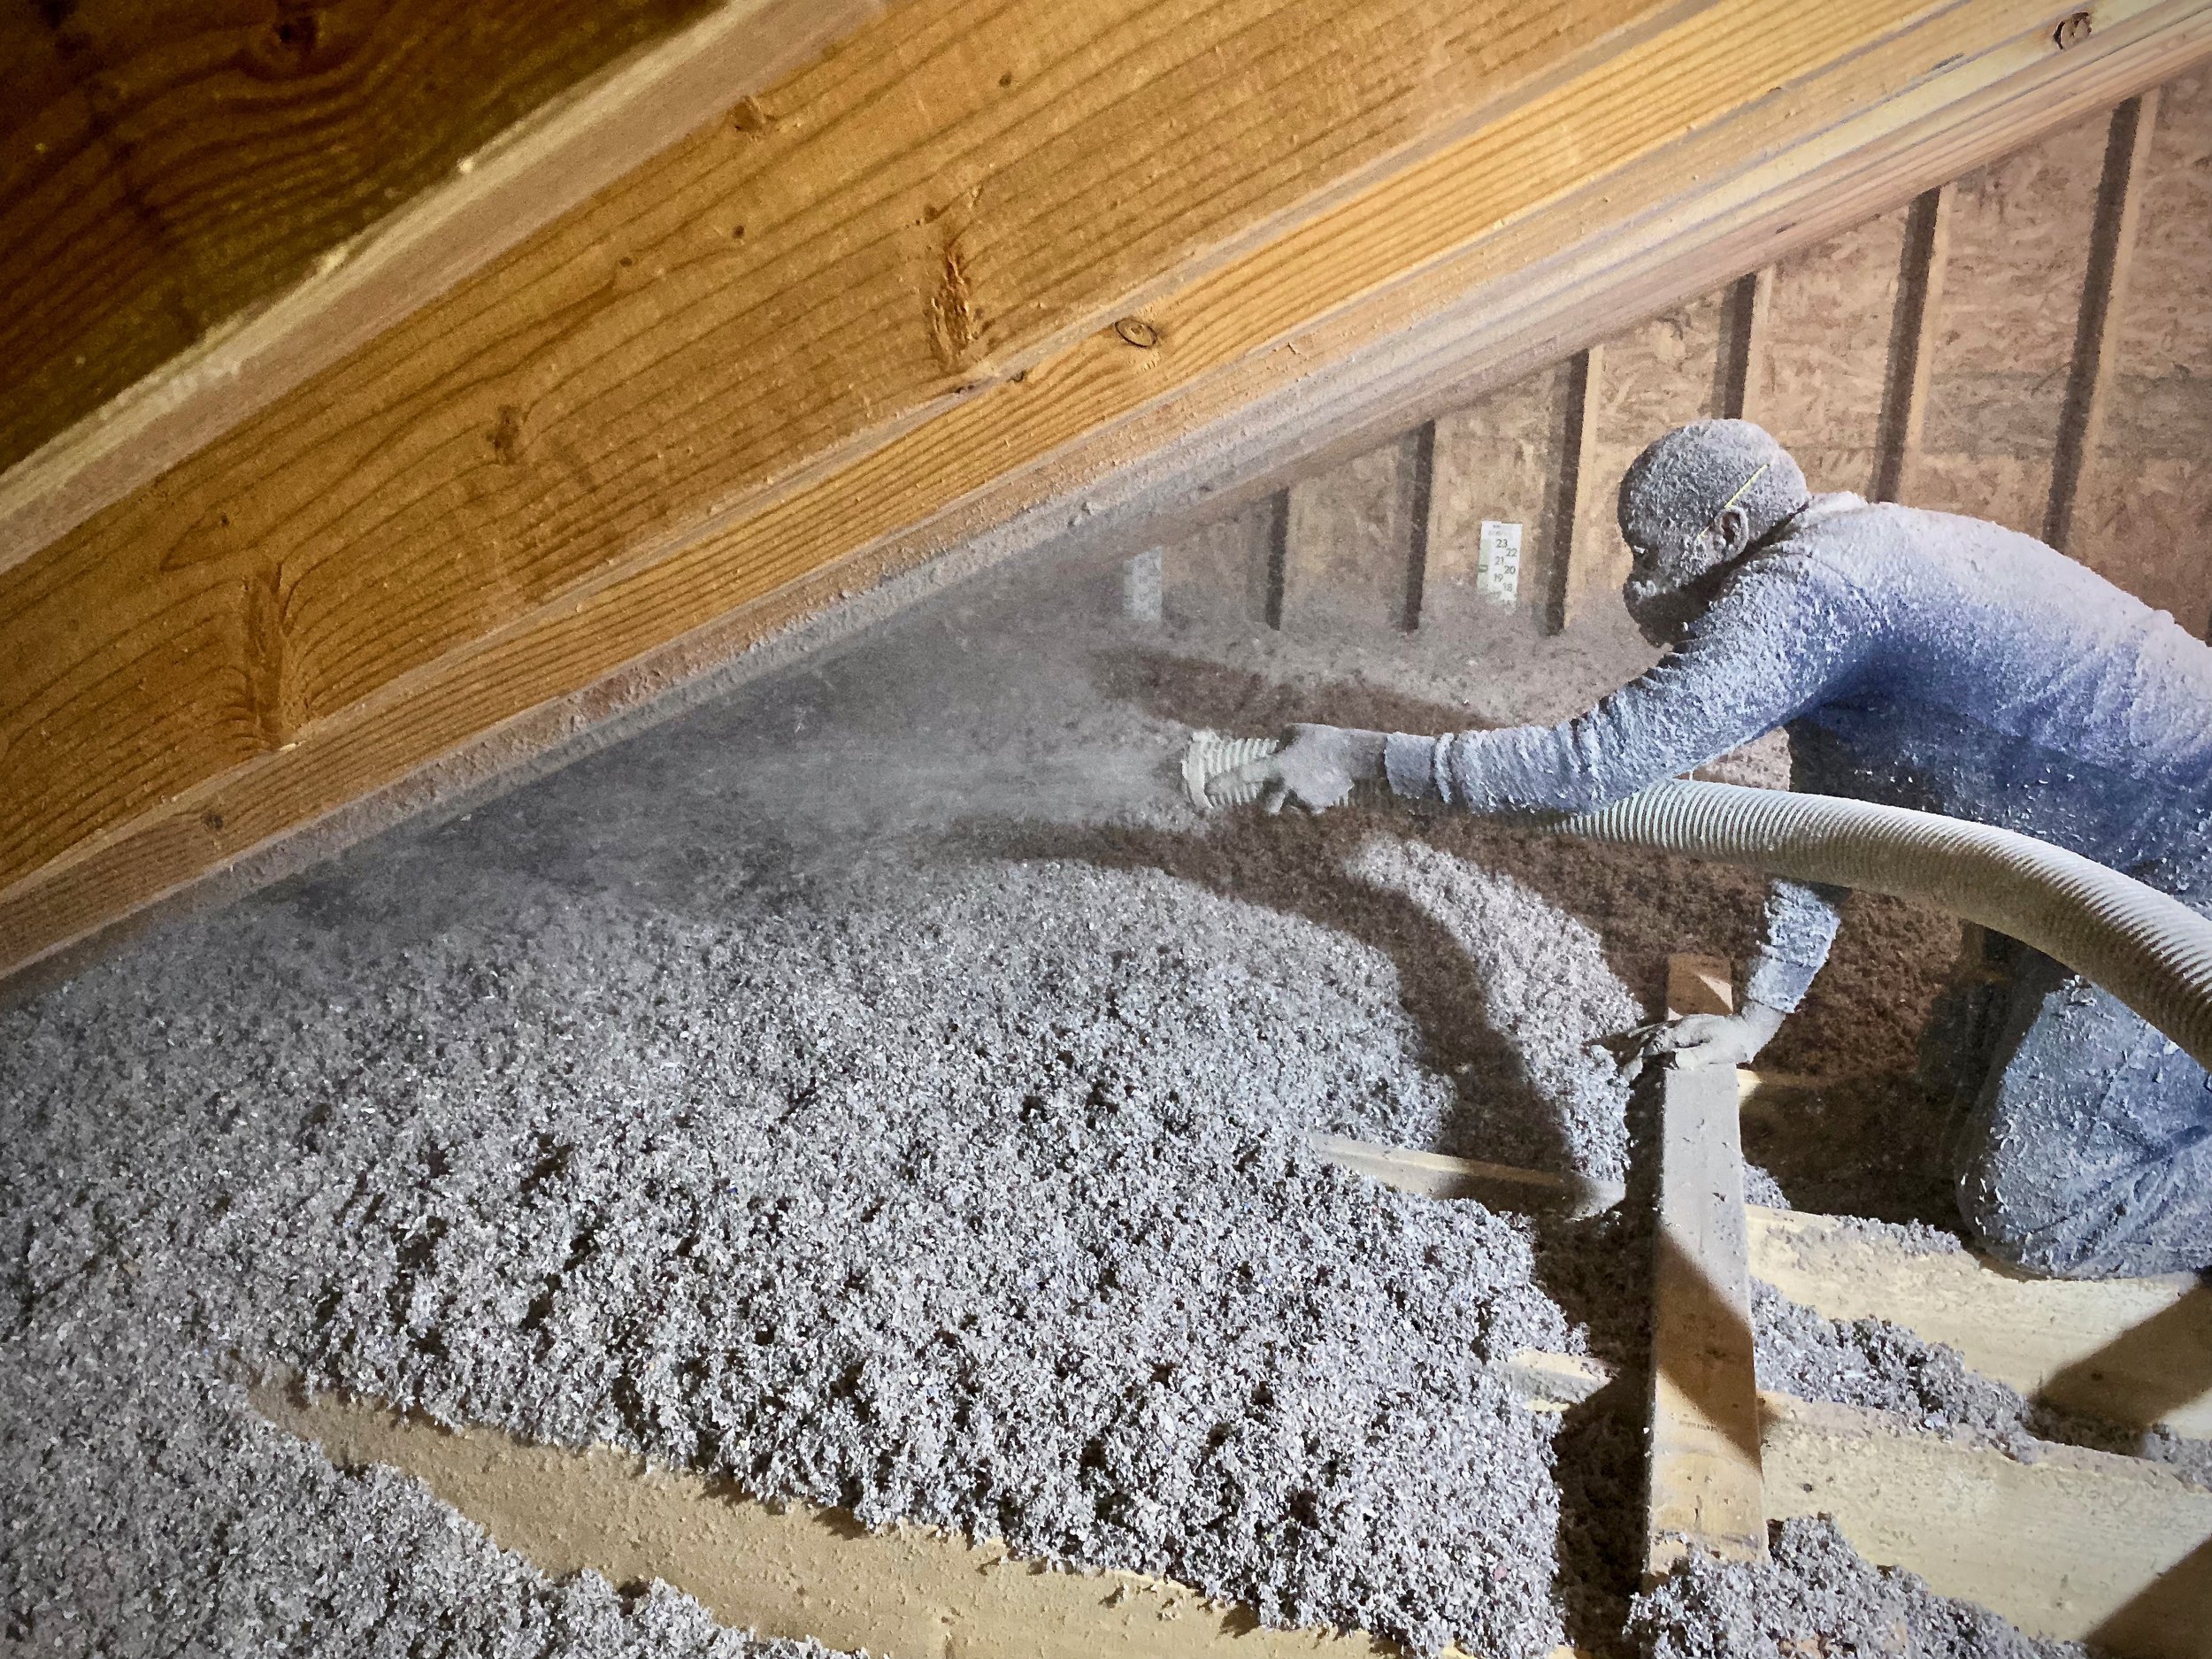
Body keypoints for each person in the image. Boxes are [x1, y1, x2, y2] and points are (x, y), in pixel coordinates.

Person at [1219, 419, 2212, 1279]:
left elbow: (1590, 762)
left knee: (2036, 1206)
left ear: (1728, 532)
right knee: (1947, 1087)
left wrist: (1362, 755)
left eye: (1654, 556)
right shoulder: (1851, 561)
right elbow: (1826, 827)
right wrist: (1761, 1020)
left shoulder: (1817, 586)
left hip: (2184, 861)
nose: (1643, 586)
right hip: (2100, 854)